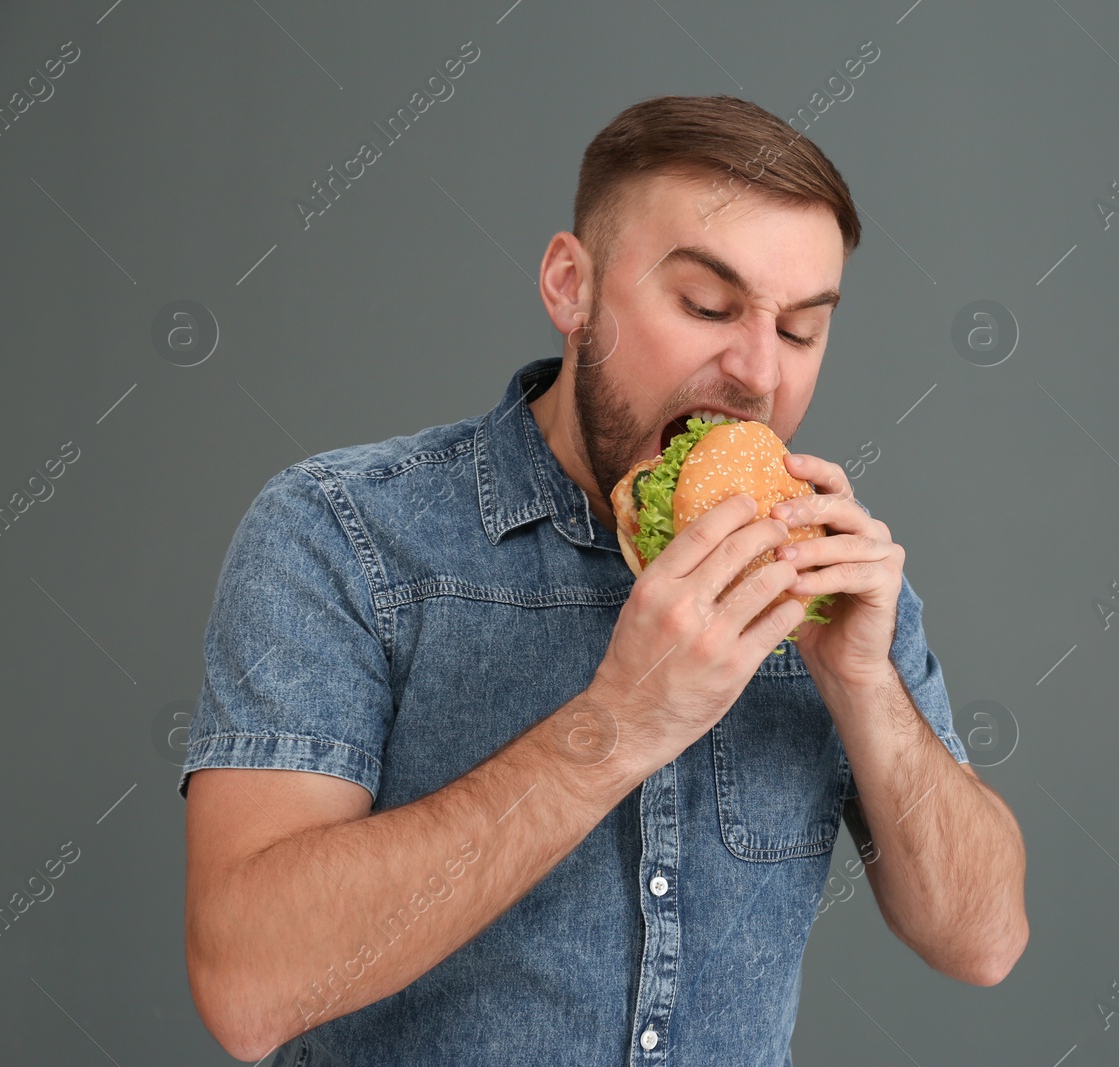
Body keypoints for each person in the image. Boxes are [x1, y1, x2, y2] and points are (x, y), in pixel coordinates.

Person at [180, 94, 1027, 1065]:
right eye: (706, 306)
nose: (756, 372)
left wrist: (863, 683)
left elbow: (984, 937)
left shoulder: (832, 573)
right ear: (570, 285)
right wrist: (620, 723)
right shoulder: (341, 532)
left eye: (799, 330)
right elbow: (247, 984)